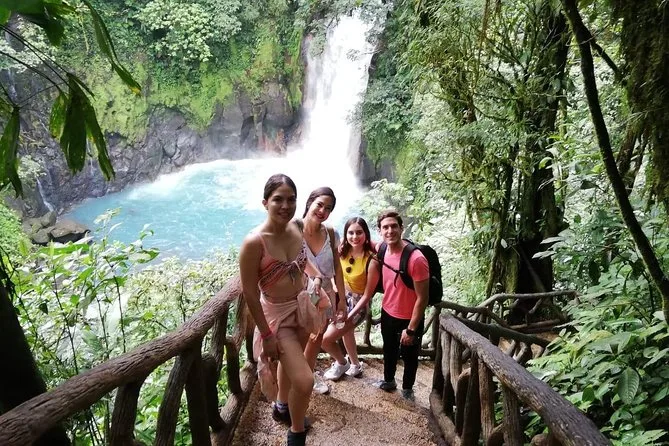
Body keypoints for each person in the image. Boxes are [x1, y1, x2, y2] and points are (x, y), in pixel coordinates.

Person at [239, 174, 321, 446]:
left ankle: (282, 406)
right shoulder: (254, 242)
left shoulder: (297, 227)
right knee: (305, 381)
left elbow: (304, 263)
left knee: (290, 365)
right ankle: (296, 433)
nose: (285, 205)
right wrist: (266, 335)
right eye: (278, 199)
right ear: (265, 202)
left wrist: (317, 277)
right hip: (276, 318)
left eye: (291, 199)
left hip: (301, 309)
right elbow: (250, 293)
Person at [374, 210, 429, 400]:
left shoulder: (416, 259)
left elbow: (423, 298)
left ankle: (407, 388)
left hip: (410, 317)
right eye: (385, 227)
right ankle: (389, 380)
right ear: (380, 231)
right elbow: (364, 244)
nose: (390, 231)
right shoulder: (382, 249)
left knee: (410, 356)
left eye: (394, 226)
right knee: (389, 350)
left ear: (401, 228)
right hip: (388, 312)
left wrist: (411, 329)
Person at [299, 187, 348, 394]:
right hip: (299, 295)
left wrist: (342, 300)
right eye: (319, 204)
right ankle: (292, 380)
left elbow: (337, 267)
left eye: (328, 208)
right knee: (297, 339)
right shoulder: (293, 231)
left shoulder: (330, 233)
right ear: (309, 202)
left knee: (316, 338)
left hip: (325, 295)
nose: (322, 211)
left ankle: (308, 377)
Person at [321, 217, 379, 380]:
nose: (355, 237)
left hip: (358, 306)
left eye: (359, 232)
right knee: (347, 333)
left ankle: (341, 363)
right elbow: (335, 273)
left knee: (325, 340)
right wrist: (334, 289)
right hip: (341, 298)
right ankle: (355, 365)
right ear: (345, 234)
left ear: (366, 234)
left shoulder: (372, 260)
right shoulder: (342, 251)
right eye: (351, 233)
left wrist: (350, 315)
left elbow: (367, 295)